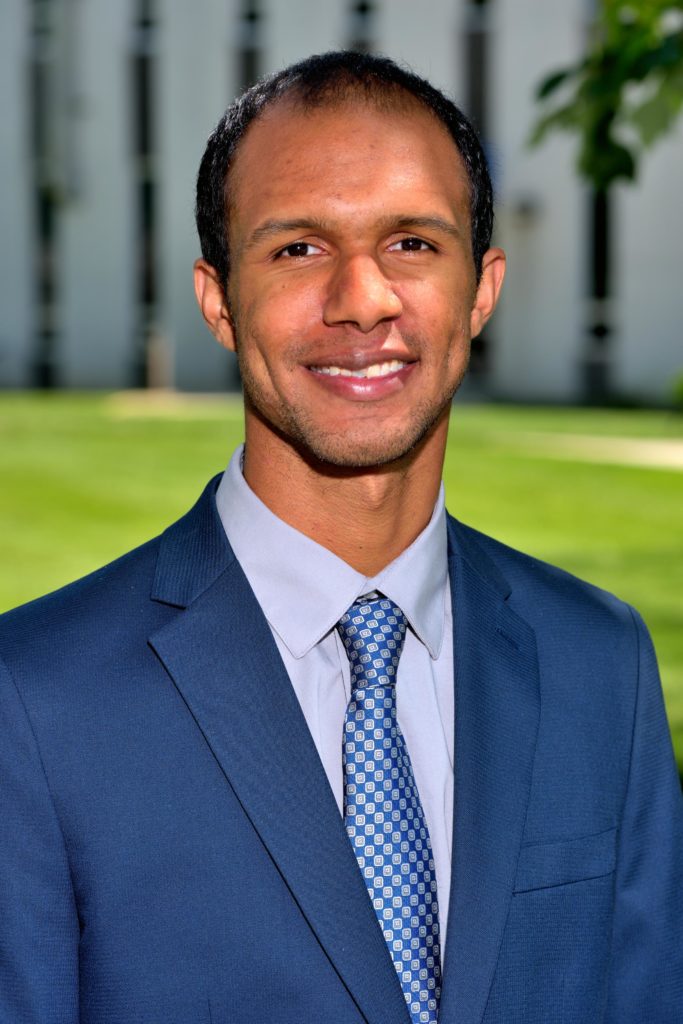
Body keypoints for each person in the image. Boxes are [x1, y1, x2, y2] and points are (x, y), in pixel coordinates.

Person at [0, 51, 681, 1024]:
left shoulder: (597, 664)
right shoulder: (29, 701)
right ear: (218, 299)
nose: (363, 298)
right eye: (298, 249)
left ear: (481, 288)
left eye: (411, 242)